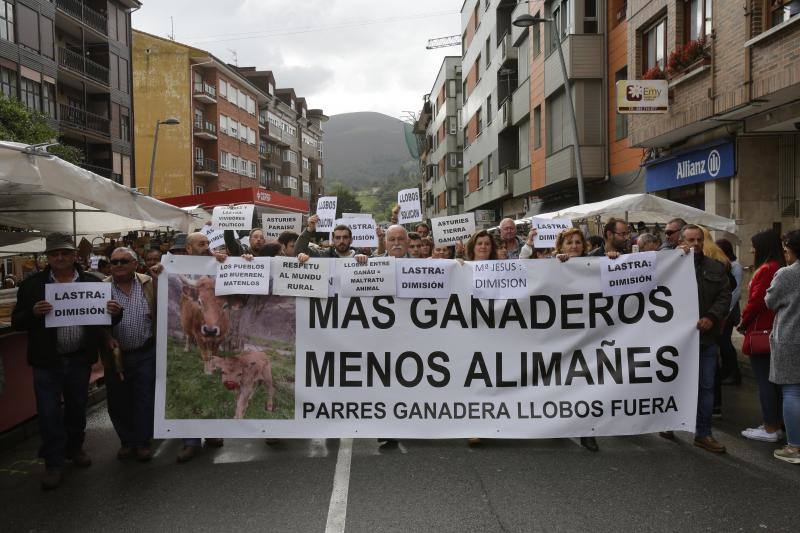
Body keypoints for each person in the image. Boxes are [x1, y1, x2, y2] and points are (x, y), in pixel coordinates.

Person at [11, 232, 122, 490]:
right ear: (47, 257)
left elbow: (105, 319)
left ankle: (75, 448)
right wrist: (33, 313)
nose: (59, 257)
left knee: (76, 408)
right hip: (46, 362)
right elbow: (18, 321)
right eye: (54, 254)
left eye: (64, 253)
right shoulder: (32, 286)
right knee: (49, 413)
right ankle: (53, 462)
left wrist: (116, 313)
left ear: (74, 255)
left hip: (79, 360)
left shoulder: (91, 283)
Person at [662, 225, 731, 453]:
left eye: (699, 240)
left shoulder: (716, 267)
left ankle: (703, 433)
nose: (695, 244)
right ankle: (668, 423)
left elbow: (725, 294)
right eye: (690, 240)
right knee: (672, 383)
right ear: (680, 241)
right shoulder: (668, 264)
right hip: (675, 341)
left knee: (706, 386)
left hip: (705, 339)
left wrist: (712, 316)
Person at [102, 247, 157, 462]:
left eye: (124, 261)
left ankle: (143, 442)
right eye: (114, 262)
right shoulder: (101, 288)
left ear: (135, 264)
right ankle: (126, 441)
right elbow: (94, 321)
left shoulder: (150, 282)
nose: (118, 265)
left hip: (145, 352)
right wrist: (106, 337)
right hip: (115, 356)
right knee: (118, 401)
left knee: (145, 398)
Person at [738, 229, 785, 442]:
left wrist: (743, 321)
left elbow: (756, 302)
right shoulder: (780, 268)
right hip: (776, 330)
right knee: (776, 383)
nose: (751, 250)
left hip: (762, 332)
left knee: (765, 381)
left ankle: (770, 427)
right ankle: (776, 423)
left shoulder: (768, 269)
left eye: (754, 246)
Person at [765, 229, 800, 464]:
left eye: (786, 249)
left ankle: (794, 446)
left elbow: (770, 301)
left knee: (792, 391)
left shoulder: (786, 274)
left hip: (791, 337)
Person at [716, 238, 743, 386]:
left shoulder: (735, 266)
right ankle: (727, 371)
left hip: (729, 310)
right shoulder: (726, 265)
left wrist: (725, 310)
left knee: (725, 342)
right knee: (723, 341)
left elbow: (736, 291)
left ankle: (734, 372)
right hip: (726, 309)